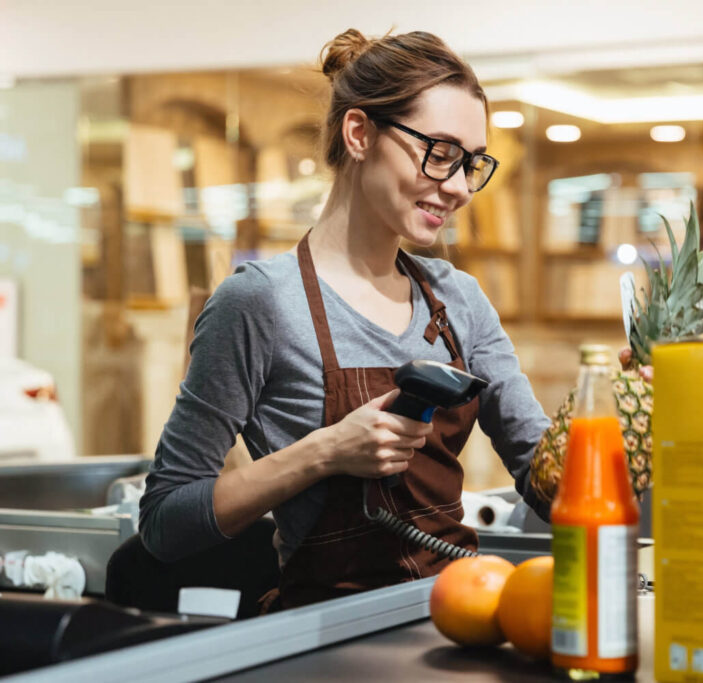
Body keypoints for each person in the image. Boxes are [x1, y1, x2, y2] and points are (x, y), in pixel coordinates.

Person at [138, 29, 554, 610]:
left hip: (455, 617)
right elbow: (165, 523)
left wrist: (629, 426)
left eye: (472, 163)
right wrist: (324, 452)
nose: (459, 187)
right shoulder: (259, 303)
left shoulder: (459, 299)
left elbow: (550, 485)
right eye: (440, 153)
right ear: (359, 133)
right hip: (326, 638)